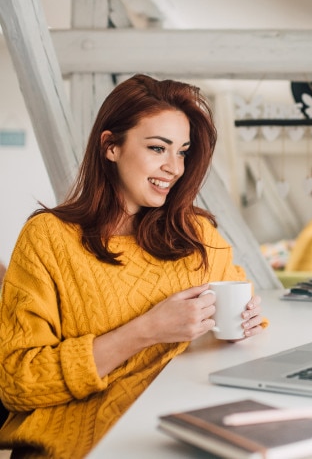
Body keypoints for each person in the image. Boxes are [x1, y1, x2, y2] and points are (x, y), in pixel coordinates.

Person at [0, 74, 266, 458]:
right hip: (82, 446)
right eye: (159, 148)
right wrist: (148, 330)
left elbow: (240, 300)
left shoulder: (197, 233)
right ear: (111, 147)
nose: (175, 168)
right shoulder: (49, 238)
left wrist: (244, 323)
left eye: (183, 151)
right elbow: (17, 381)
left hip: (178, 431)